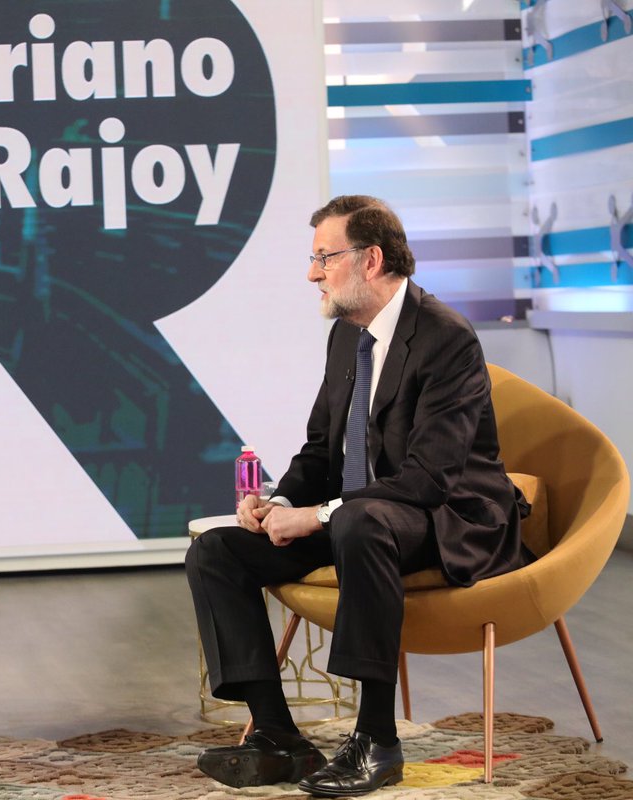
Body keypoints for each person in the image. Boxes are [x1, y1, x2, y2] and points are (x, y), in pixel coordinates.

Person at [185, 195, 527, 797]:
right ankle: (278, 738)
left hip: (446, 518)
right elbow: (322, 448)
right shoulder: (348, 335)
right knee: (217, 550)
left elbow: (428, 479)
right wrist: (277, 504)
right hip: (362, 516)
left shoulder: (447, 338)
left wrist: (317, 517)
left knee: (358, 524)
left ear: (371, 260)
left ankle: (377, 741)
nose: (312, 273)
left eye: (324, 257)